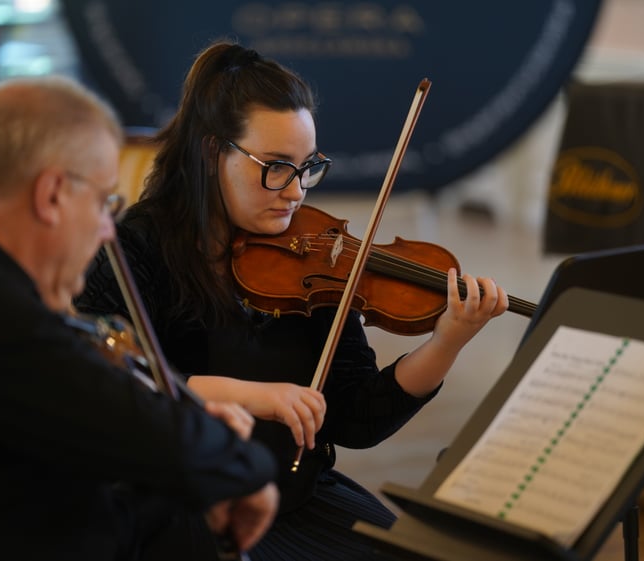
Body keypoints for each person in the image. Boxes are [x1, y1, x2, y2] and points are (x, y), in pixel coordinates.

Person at [74, 39, 509, 561]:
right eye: (276, 166)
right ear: (212, 153)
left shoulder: (315, 256)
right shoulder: (135, 248)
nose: (297, 191)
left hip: (298, 496)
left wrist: (447, 343)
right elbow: (111, 386)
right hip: (186, 508)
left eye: (308, 167)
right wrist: (253, 396)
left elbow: (357, 417)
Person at [0, 75, 280, 561]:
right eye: (103, 203)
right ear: (52, 195)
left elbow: (77, 518)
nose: (108, 230)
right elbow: (153, 437)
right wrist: (237, 461)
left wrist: (194, 468)